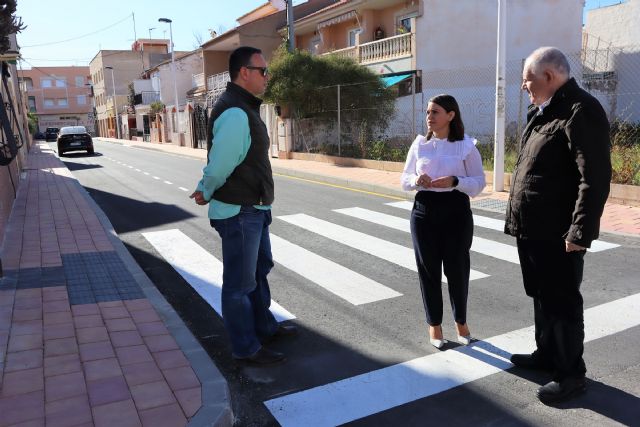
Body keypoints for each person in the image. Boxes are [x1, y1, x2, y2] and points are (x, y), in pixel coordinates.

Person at [505, 47, 611, 403]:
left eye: (527, 79)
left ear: (549, 76)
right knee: (541, 296)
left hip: (558, 232)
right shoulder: (546, 111)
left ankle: (570, 374)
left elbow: (593, 178)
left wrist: (580, 231)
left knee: (562, 302)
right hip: (534, 228)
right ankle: (547, 355)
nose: (524, 86)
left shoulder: (581, 109)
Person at [190, 46, 297, 365]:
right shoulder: (236, 112)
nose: (267, 76)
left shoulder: (244, 108)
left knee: (258, 272)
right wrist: (205, 189)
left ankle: (264, 328)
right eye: (263, 71)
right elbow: (221, 163)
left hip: (254, 208)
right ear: (245, 73)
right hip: (239, 212)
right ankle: (245, 347)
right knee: (238, 284)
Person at [401, 94, 486, 350]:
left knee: (457, 269)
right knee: (428, 270)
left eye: (435, 112)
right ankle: (434, 324)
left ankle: (461, 321)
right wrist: (418, 181)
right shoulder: (419, 145)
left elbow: (479, 182)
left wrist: (456, 182)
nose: (429, 116)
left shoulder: (466, 146)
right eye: (428, 112)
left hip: (456, 211)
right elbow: (404, 179)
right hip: (424, 211)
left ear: (451, 115)